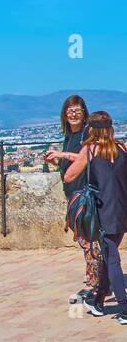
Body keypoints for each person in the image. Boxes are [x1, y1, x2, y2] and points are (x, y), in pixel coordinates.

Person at [63, 111, 127, 324]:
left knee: (112, 259)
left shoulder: (90, 150)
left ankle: (124, 307)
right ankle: (98, 301)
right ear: (110, 128)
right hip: (122, 209)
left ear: (91, 129)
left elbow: (69, 175)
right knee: (110, 255)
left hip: (103, 211)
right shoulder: (122, 148)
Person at [45, 95, 100, 304]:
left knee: (91, 243)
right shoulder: (69, 136)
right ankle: (95, 282)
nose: (73, 114)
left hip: (86, 195)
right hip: (73, 195)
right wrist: (56, 160)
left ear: (84, 113)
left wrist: (64, 154)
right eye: (69, 111)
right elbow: (68, 166)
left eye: (77, 110)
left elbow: (91, 157)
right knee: (85, 242)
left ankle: (96, 285)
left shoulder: (88, 134)